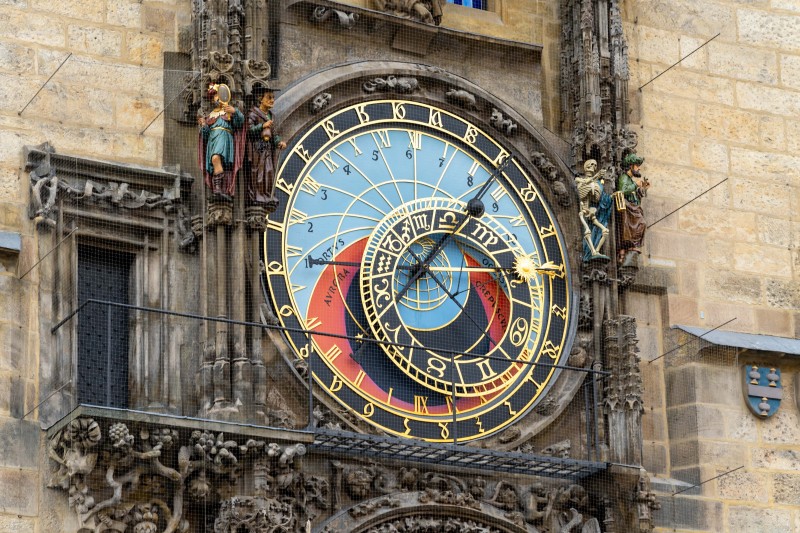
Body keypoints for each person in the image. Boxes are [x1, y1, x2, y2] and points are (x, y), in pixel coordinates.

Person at [198, 84, 245, 201]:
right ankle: (218, 189)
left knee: (215, 159)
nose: (216, 98)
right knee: (215, 161)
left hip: (224, 136)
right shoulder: (211, 115)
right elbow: (205, 135)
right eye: (214, 96)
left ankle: (219, 188)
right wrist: (204, 125)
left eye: (218, 95)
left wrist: (235, 112)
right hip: (213, 139)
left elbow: (239, 124)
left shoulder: (228, 111)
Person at [246, 86, 286, 207]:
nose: (272, 100)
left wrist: (279, 142)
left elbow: (274, 134)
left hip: (268, 149)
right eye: (269, 97)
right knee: (259, 172)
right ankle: (258, 195)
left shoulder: (270, 116)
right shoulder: (253, 114)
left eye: (273, 98)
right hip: (257, 149)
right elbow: (249, 131)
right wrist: (262, 126)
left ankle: (267, 195)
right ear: (260, 99)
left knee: (269, 171)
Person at [575, 159, 611, 261]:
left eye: (595, 166)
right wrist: (597, 176)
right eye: (590, 165)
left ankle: (596, 250)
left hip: (591, 212)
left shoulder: (595, 183)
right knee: (587, 232)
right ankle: (592, 252)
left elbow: (597, 198)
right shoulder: (579, 180)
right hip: (584, 211)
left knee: (605, 230)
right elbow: (582, 187)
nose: (592, 168)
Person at [616, 153, 649, 262]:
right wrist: (635, 185)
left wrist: (642, 189)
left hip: (633, 208)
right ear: (631, 166)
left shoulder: (630, 180)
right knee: (641, 223)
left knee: (642, 224)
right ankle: (628, 246)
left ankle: (631, 244)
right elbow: (622, 191)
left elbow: (635, 197)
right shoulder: (624, 177)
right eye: (637, 165)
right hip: (628, 208)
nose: (639, 168)